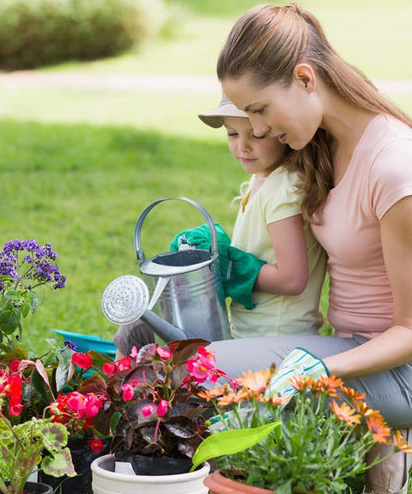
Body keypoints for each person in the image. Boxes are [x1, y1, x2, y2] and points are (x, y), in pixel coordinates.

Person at [208, 2, 412, 494]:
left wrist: (322, 369)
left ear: (305, 79)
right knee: (187, 363)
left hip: (401, 369)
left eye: (259, 110)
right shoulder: (322, 141)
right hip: (345, 346)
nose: (256, 130)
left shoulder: (395, 168)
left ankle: (396, 439)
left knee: (206, 377)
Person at [113, 94, 327, 356]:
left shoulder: (283, 188)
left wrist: (227, 266)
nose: (243, 147)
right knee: (137, 320)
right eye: (232, 134)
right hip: (249, 335)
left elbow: (292, 279)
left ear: (282, 132)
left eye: (256, 135)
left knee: (172, 370)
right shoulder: (264, 179)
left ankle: (124, 389)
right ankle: (120, 385)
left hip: (276, 342)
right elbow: (261, 248)